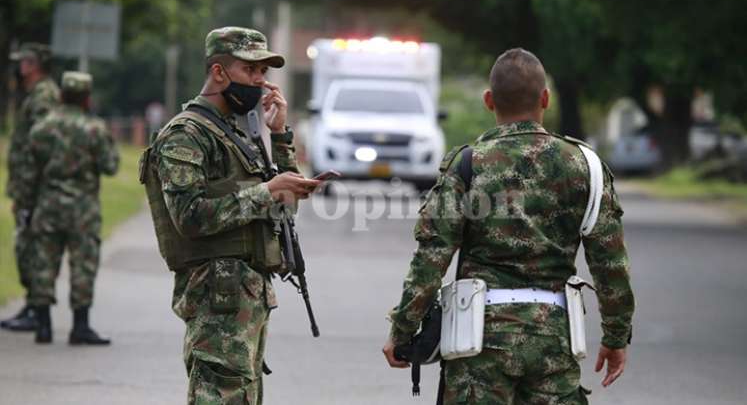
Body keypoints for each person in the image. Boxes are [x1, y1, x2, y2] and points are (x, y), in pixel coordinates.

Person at [383, 48, 635, 404]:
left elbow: (432, 258)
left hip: (479, 345)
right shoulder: (586, 167)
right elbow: (611, 265)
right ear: (545, 99)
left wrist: (403, 330)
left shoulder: (467, 165)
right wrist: (615, 337)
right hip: (554, 341)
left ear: (489, 101)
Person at [140, 27, 321, 404]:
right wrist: (266, 190)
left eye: (263, 73)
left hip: (246, 297)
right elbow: (189, 216)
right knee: (219, 395)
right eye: (250, 70)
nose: (259, 82)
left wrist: (281, 135)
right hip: (216, 297)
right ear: (219, 72)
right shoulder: (186, 134)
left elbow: (283, 209)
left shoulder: (238, 135)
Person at [17, 71, 119, 345]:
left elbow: (28, 174)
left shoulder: (42, 128)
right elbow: (111, 166)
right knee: (83, 265)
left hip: (47, 205)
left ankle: (43, 327)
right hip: (83, 209)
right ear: (87, 98)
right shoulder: (95, 129)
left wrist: (24, 207)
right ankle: (80, 327)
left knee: (44, 264)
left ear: (61, 95)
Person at [1, 43, 60, 332]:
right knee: (27, 245)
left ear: (34, 64)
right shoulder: (38, 93)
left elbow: (41, 145)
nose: (19, 66)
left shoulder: (43, 96)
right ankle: (33, 305)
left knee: (31, 246)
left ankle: (37, 310)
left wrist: (29, 191)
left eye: (23, 61)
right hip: (28, 186)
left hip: (34, 188)